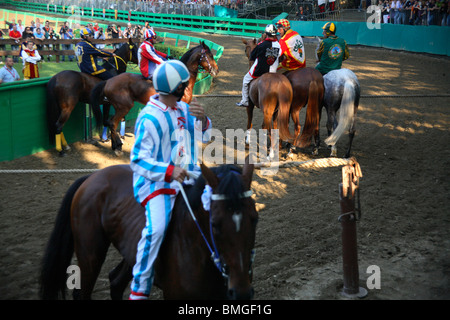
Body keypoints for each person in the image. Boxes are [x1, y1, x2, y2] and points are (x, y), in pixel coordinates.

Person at [129, 60, 212, 300]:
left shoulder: (182, 109)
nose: (187, 88)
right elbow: (137, 160)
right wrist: (169, 171)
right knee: (156, 230)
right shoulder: (149, 118)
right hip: (157, 184)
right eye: (184, 84)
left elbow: (204, 134)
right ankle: (139, 289)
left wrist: (203, 118)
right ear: (175, 88)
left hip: (189, 174)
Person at [236, 24, 281, 107]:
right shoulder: (279, 45)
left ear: (266, 34)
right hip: (273, 72)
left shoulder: (261, 45)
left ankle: (245, 100)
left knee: (245, 80)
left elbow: (252, 57)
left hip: (259, 71)